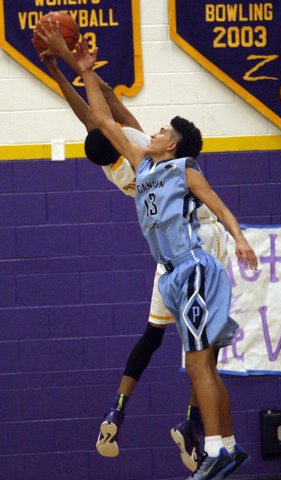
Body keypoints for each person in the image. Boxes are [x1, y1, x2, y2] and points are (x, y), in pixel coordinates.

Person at [33, 24, 251, 477]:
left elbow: (101, 110)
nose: (151, 129)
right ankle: (218, 440)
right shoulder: (138, 160)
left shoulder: (146, 161)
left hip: (191, 252)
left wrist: (70, 67)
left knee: (197, 358)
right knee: (196, 356)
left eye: (161, 130)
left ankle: (207, 438)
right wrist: (73, 67)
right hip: (184, 253)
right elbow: (100, 117)